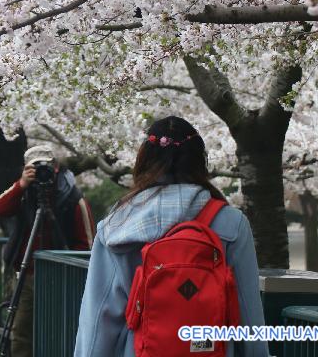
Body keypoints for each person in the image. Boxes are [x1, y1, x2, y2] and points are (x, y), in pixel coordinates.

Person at [74, 116, 269, 356]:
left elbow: (99, 317)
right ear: (199, 161)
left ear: (144, 159)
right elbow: (248, 311)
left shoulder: (116, 226)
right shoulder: (232, 224)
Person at [0, 145, 94, 357]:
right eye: (34, 168)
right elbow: (0, 208)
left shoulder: (72, 196)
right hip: (27, 274)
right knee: (21, 331)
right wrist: (21, 184)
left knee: (59, 330)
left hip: (60, 275)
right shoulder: (23, 193)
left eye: (45, 166)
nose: (41, 173)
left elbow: (87, 244)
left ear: (56, 166)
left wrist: (67, 265)